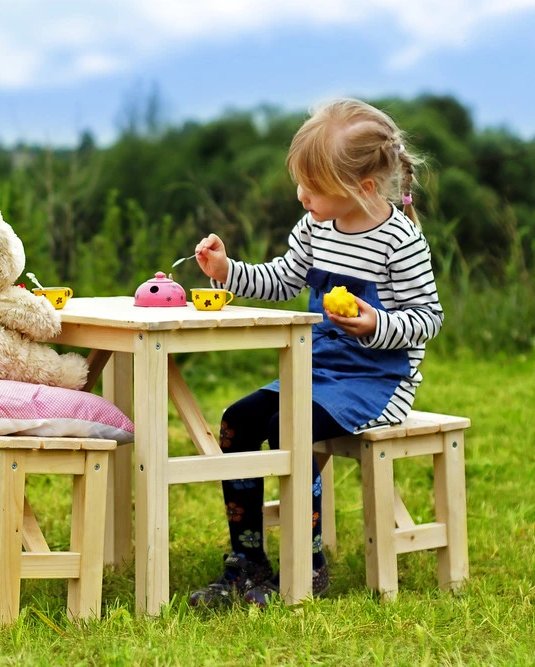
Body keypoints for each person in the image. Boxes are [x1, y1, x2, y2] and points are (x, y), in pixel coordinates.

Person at [187, 98, 443, 608]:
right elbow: (283, 278)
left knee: (291, 426)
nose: (301, 195)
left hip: (377, 383)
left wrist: (375, 323)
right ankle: (248, 560)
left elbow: (428, 319)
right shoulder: (315, 228)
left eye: (313, 186)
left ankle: (309, 566)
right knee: (237, 420)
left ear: (362, 188)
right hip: (315, 370)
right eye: (300, 182)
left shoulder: (400, 241)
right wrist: (227, 271)